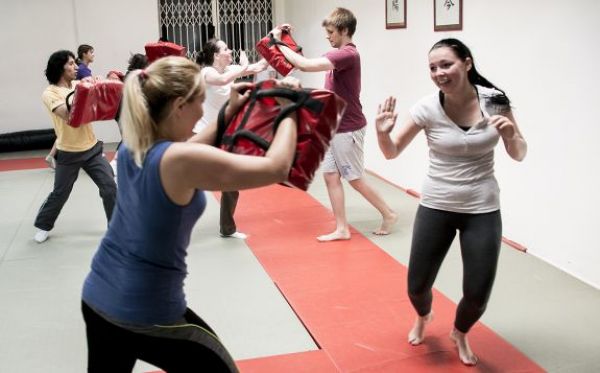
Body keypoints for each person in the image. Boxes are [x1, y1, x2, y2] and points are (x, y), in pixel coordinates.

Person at [81, 56, 299, 372]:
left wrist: (229, 111)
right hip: (147, 311)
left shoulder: (134, 145)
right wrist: (290, 107)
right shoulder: (177, 160)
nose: (201, 110)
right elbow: (276, 167)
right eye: (199, 102)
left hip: (98, 297)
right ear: (179, 106)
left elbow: (190, 147)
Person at [375, 38, 527, 366]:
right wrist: (382, 133)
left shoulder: (495, 102)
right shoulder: (427, 108)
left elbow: (518, 154)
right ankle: (424, 316)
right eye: (433, 67)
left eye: (446, 64)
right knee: (416, 287)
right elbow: (390, 152)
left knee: (477, 296)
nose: (439, 72)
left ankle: (460, 331)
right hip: (436, 205)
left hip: (481, 208)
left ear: (467, 63)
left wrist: (511, 135)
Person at [270, 8, 397, 242]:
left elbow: (306, 65)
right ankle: (342, 228)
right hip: (332, 126)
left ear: (344, 30)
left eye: (331, 32)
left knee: (355, 178)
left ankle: (388, 214)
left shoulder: (348, 55)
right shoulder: (337, 54)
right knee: (330, 175)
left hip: (348, 127)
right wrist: (285, 42)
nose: (328, 36)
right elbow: (300, 63)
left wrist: (278, 42)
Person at [35, 50, 117, 243]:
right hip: (68, 152)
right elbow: (68, 115)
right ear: (60, 68)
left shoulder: (77, 84)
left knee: (110, 187)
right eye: (71, 64)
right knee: (60, 193)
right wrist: (85, 89)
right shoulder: (50, 93)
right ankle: (44, 225)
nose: (76, 67)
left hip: (92, 149)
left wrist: (103, 82)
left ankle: (115, 228)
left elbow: (99, 95)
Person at [194, 39, 268, 239]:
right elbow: (222, 81)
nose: (229, 51)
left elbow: (261, 65)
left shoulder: (232, 69)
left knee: (232, 182)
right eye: (225, 49)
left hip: (223, 135)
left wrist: (276, 42)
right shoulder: (207, 72)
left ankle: (227, 228)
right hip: (202, 135)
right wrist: (243, 67)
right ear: (216, 55)